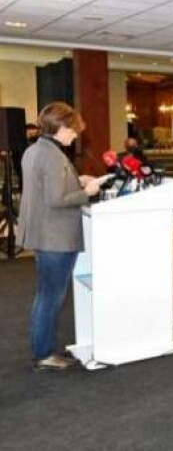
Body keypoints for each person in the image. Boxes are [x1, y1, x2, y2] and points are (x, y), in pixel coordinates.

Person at [17, 102, 103, 370]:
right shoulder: (54, 156)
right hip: (55, 237)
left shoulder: (34, 150)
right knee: (51, 297)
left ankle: (42, 348)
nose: (75, 135)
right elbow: (56, 199)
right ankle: (44, 353)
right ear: (61, 127)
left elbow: (45, 188)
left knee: (46, 294)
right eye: (73, 130)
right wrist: (86, 192)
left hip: (43, 233)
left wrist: (76, 180)